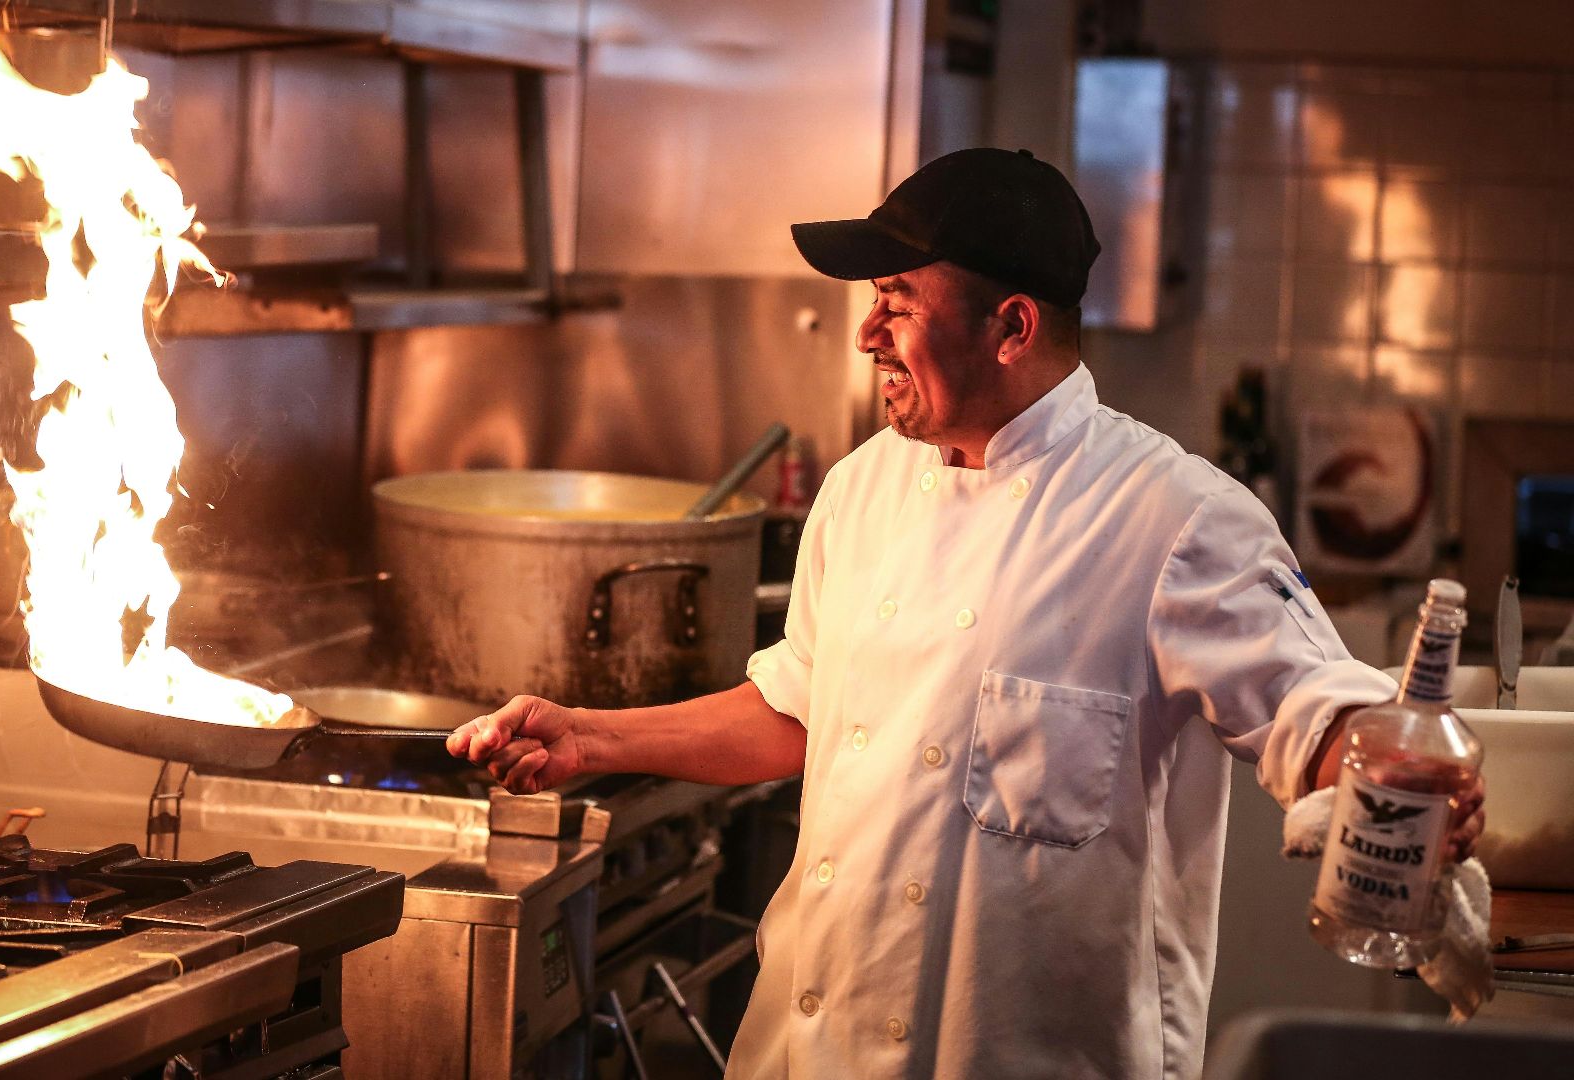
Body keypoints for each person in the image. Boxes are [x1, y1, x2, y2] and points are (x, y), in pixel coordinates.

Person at [446, 147, 1483, 1079]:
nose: (866, 333)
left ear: (1011, 326)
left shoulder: (1172, 519)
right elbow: (804, 714)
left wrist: (1382, 758)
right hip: (808, 1052)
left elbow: (1317, 704)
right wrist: (589, 737)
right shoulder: (862, 489)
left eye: (896, 299)